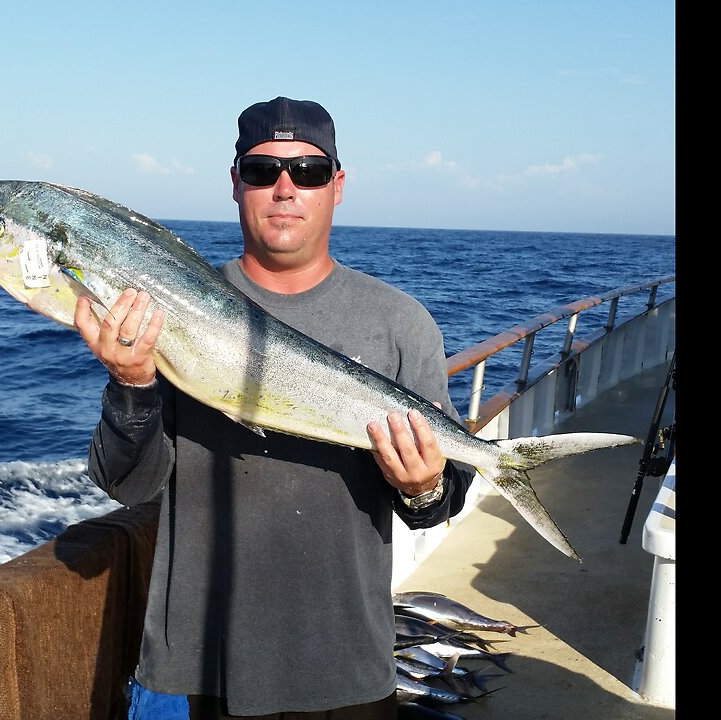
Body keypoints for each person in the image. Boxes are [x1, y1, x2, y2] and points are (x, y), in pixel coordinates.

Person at [72, 96, 475, 719]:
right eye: (263, 171)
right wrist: (131, 383)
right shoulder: (168, 306)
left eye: (308, 171)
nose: (285, 188)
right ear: (236, 183)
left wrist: (423, 488)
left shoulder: (401, 324)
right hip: (191, 669)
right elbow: (128, 485)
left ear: (337, 186)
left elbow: (439, 504)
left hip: (345, 669)